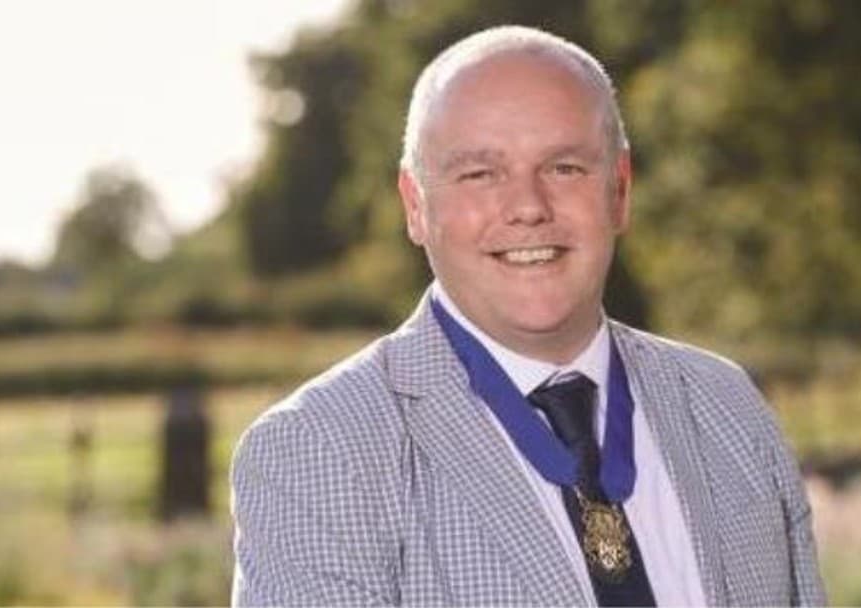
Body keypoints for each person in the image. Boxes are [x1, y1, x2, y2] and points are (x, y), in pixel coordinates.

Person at [230, 25, 825, 607]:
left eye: (564, 167)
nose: (528, 207)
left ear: (619, 190)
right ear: (415, 205)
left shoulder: (726, 405)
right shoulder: (317, 452)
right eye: (480, 174)